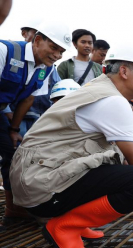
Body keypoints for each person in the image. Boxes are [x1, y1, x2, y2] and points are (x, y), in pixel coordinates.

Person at [9, 41, 133, 247]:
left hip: (34, 180)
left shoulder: (100, 89)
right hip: (40, 188)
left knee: (115, 161)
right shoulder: (113, 101)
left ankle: (76, 221)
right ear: (124, 71)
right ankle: (66, 226)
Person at [0, 20, 72, 227]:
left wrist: (14, 129)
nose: (57, 55)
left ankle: (15, 211)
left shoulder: (46, 69)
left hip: (2, 112)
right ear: (38, 40)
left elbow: (28, 99)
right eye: (54, 48)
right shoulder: (5, 51)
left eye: (61, 51)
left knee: (14, 157)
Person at [11, 19, 63, 138]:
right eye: (36, 33)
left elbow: (31, 97)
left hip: (37, 115)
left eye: (61, 51)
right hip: (12, 114)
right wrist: (7, 111)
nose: (57, 55)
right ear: (25, 33)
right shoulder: (10, 53)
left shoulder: (48, 67)